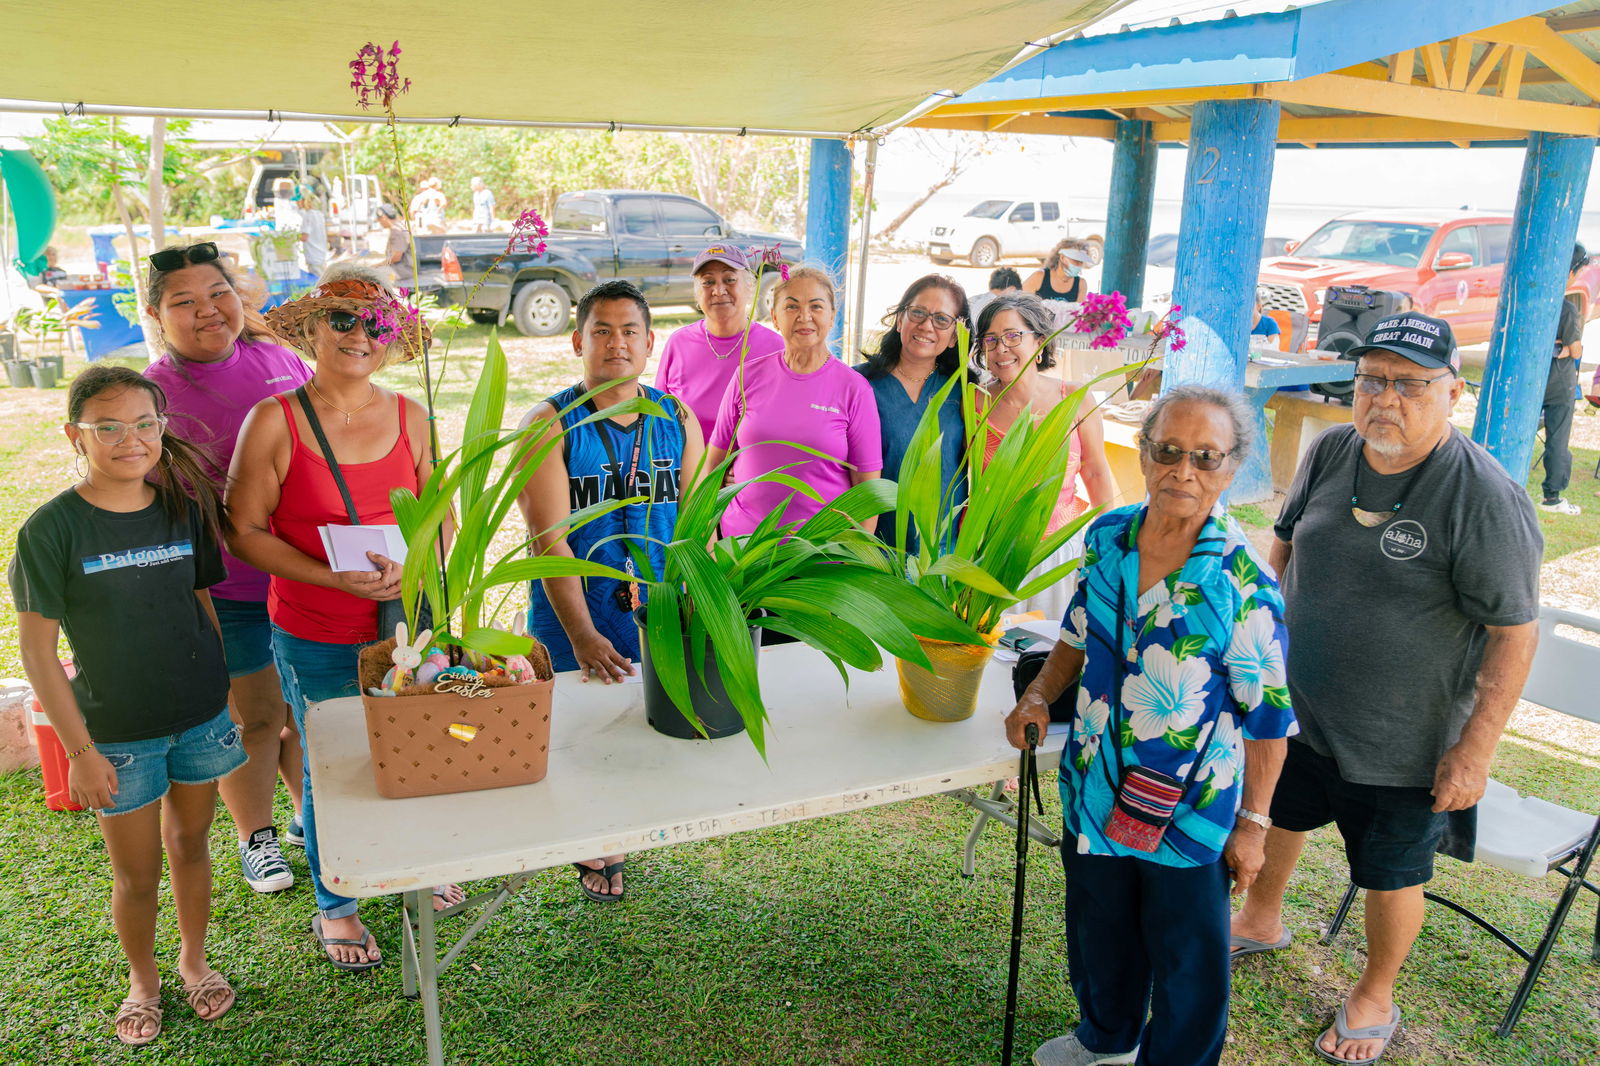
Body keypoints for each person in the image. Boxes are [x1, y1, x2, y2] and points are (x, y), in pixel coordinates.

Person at [1230, 311, 1541, 1066]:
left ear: (1452, 392)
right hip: (1298, 708)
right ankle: (1260, 920)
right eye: (1372, 380)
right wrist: (1250, 647)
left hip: (1407, 738)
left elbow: (1514, 634)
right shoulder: (1334, 450)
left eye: (1409, 384)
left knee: (1391, 874)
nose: (1385, 399)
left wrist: (1475, 751)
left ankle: (1375, 994)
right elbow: (1282, 546)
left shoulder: (1483, 497)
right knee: (1278, 819)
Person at [1005, 385, 1294, 1066]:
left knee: (1187, 957)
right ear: (1144, 454)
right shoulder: (1109, 538)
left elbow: (1269, 721)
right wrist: (1039, 697)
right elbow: (1078, 633)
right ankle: (1107, 1039)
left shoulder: (1242, 581)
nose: (1183, 472)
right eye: (1168, 451)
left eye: (1204, 457)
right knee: (1099, 928)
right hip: (1097, 788)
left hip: (1188, 809)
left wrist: (1254, 827)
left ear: (1230, 469)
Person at [227, 264, 462, 971]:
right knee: (333, 769)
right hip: (316, 627)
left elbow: (440, 516)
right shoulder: (274, 420)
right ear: (313, 331)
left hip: (404, 624)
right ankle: (339, 905)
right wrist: (330, 576)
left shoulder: (411, 416)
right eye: (342, 320)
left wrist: (415, 562)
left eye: (375, 324)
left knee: (411, 748)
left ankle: (413, 863)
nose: (359, 335)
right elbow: (243, 529)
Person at [11, 366, 243, 1044]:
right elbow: (36, 653)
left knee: (192, 845)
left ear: (161, 430)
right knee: (137, 875)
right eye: (107, 427)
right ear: (74, 436)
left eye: (144, 424)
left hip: (200, 718)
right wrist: (80, 752)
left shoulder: (181, 507)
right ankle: (144, 980)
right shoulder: (51, 530)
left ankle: (194, 961)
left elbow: (201, 601)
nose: (129, 439)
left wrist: (219, 687)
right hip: (117, 734)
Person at [516, 279, 704, 903]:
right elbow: (551, 542)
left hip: (655, 614)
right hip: (577, 617)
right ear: (577, 340)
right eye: (601, 330)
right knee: (574, 736)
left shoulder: (676, 418)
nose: (616, 343)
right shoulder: (549, 422)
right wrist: (582, 633)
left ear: (650, 344)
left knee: (639, 735)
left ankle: (616, 831)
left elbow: (694, 528)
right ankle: (592, 838)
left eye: (629, 331)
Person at [142, 241, 311, 896]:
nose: (208, 311)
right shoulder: (155, 390)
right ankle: (255, 836)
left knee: (304, 708)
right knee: (256, 716)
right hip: (227, 588)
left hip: (303, 575)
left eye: (219, 294)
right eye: (184, 302)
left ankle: (307, 816)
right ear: (158, 315)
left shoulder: (278, 358)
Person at [710, 265, 882, 537]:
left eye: (816, 306)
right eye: (791, 307)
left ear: (832, 316)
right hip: (742, 549)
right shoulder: (746, 376)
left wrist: (856, 554)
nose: (805, 317)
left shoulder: (854, 389)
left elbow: (867, 491)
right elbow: (712, 464)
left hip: (820, 556)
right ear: (776, 317)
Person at [974, 293, 1116, 618]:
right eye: (991, 340)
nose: (1001, 349)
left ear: (1039, 341)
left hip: (1056, 553)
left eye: (1013, 336)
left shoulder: (1076, 398)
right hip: (992, 553)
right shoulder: (976, 404)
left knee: (1051, 652)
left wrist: (1109, 542)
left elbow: (1094, 471)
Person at [857, 274, 970, 552]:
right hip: (873, 552)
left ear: (955, 337)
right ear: (899, 320)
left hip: (943, 558)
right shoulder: (859, 384)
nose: (926, 325)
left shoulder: (966, 391)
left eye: (942, 319)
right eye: (917, 312)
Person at [653, 245, 785, 432]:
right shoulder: (679, 343)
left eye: (729, 279)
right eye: (708, 282)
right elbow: (660, 417)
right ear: (697, 293)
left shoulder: (776, 348)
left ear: (749, 287)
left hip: (749, 460)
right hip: (690, 460)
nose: (719, 290)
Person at [1538, 243, 1587, 515]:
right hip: (1558, 382)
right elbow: (1576, 349)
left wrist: (1558, 346)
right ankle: (1552, 497)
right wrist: (1564, 347)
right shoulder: (1566, 308)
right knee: (1557, 438)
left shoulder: (1533, 298)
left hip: (1530, 378)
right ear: (1570, 272)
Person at [1025, 239, 1094, 303]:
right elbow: (1022, 304)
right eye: (1075, 261)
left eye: (1081, 262)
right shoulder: (1039, 277)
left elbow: (1079, 313)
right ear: (1062, 258)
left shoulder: (1081, 284)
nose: (1079, 265)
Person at [376, 204, 413, 287]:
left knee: (371, 274)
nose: (379, 222)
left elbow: (396, 257)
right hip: (405, 268)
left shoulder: (397, 231)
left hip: (401, 270)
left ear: (384, 217)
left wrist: (378, 265)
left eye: (379, 219)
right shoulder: (401, 226)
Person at [297, 192, 329, 275]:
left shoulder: (308, 215)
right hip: (320, 253)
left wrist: (291, 237)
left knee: (317, 280)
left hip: (313, 255)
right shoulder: (319, 214)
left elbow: (304, 237)